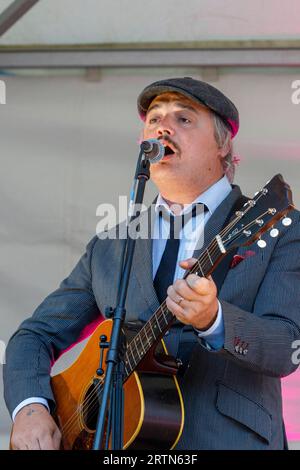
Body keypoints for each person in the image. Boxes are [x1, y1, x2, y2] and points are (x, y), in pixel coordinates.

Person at [3, 77, 300, 450]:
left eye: (184, 119)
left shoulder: (273, 225)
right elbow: (35, 336)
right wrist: (31, 409)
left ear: (224, 145)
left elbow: (287, 346)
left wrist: (215, 320)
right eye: (154, 119)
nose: (162, 127)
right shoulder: (110, 246)